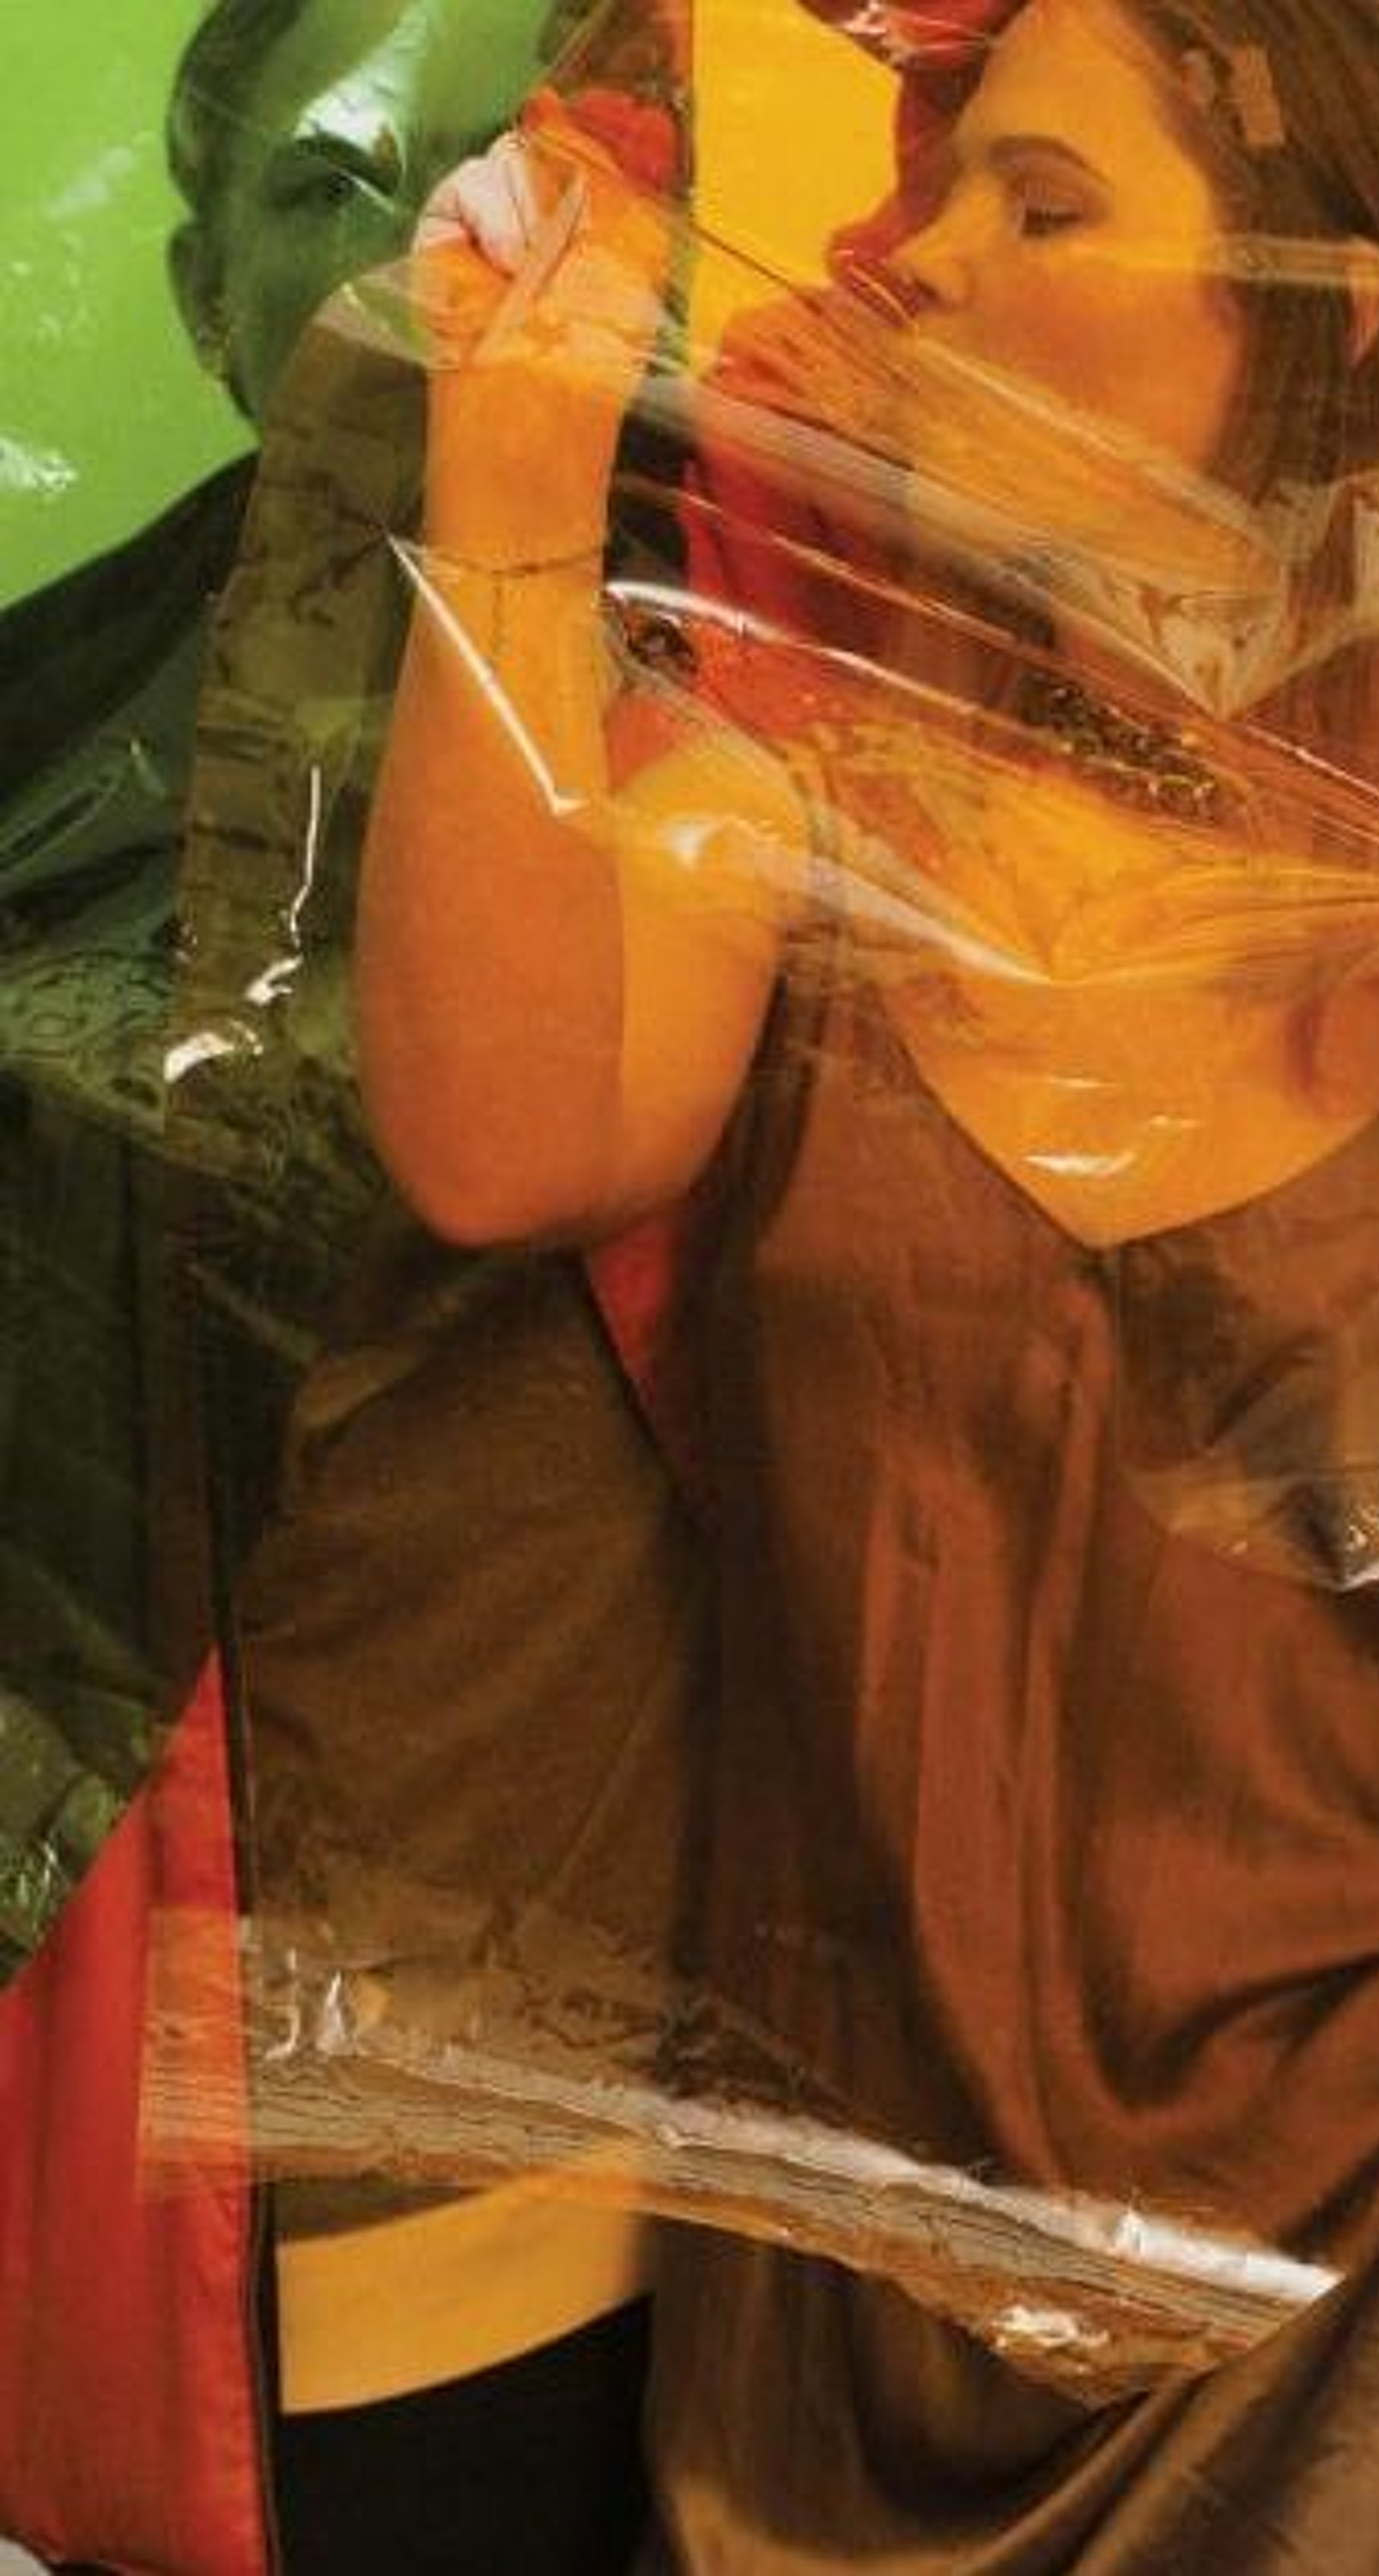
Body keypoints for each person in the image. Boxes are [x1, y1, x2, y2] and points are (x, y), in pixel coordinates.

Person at [368, 0, 1379, 2561]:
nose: (922, 257)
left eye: (1042, 201)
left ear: (1338, 300)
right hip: (847, 2329)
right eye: (947, 181)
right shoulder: (794, 815)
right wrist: (508, 465)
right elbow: (492, 1145)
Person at [0, 4, 696, 2568]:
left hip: (580, 2139)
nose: (440, 243)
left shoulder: (775, 701)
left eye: (510, 159)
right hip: (125, 2095)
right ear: (201, 288)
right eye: (331, 182)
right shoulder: (31, 715)